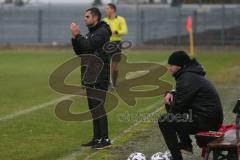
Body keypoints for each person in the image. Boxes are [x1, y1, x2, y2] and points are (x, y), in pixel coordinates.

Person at [158, 51, 223, 160]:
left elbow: (179, 107)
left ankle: (178, 155)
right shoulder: (190, 74)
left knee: (164, 121)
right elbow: (184, 94)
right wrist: (170, 93)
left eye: (171, 65)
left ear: (180, 65)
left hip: (206, 121)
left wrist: (170, 117)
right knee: (171, 109)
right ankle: (186, 144)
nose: (169, 68)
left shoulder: (186, 78)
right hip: (208, 118)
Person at [70, 7, 112, 149]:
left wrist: (79, 36)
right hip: (90, 75)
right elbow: (80, 51)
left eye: (87, 16)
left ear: (96, 18)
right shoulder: (91, 33)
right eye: (85, 16)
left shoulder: (102, 32)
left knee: (98, 107)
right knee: (93, 109)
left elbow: (89, 45)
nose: (85, 19)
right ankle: (97, 137)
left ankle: (105, 140)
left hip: (99, 75)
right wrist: (75, 38)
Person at [103, 3, 128, 89]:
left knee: (114, 66)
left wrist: (116, 32)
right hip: (106, 44)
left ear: (113, 10)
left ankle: (114, 84)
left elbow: (125, 31)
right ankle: (107, 83)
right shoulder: (104, 20)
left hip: (117, 44)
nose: (106, 10)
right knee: (105, 64)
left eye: (107, 9)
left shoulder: (121, 19)